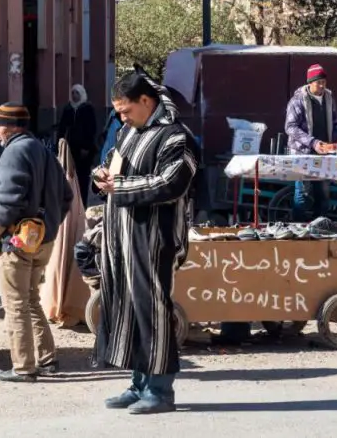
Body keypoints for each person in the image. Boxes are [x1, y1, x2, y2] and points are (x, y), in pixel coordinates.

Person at [93, 68, 198, 415]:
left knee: (153, 310)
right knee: (130, 308)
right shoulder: (129, 132)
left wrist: (119, 188)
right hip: (123, 237)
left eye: (125, 110)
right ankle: (138, 383)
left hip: (155, 239)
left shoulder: (175, 137)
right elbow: (111, 162)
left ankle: (160, 390)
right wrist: (102, 175)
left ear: (146, 101)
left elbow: (172, 184)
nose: (121, 117)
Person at [0, 103, 74, 382]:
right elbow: (66, 196)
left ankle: (23, 367)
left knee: (15, 304)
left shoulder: (14, 151)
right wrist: (48, 227)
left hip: (18, 242)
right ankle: (47, 358)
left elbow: (10, 198)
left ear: (12, 127)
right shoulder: (41, 149)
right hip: (43, 242)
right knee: (31, 301)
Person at [284, 64, 337, 220]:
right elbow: (290, 127)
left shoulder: (329, 98)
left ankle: (321, 227)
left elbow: (335, 122)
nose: (322, 85)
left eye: (324, 82)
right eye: (318, 82)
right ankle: (298, 228)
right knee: (303, 194)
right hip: (302, 153)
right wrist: (313, 142)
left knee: (323, 193)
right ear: (310, 82)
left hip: (324, 153)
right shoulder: (297, 100)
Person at [57, 84, 98, 194]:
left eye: (77, 93)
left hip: (84, 149)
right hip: (70, 147)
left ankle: (82, 203)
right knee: (69, 174)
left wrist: (87, 147)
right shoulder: (68, 108)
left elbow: (91, 129)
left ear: (82, 94)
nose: (74, 95)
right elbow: (62, 127)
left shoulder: (87, 108)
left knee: (82, 177)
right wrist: (59, 144)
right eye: (73, 93)